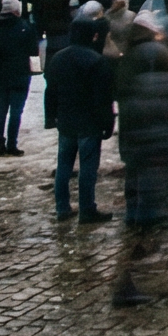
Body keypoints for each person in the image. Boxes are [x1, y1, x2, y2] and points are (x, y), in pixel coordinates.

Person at [111, 20, 168, 307]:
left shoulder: (129, 72)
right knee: (148, 223)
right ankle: (131, 281)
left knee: (139, 218)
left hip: (136, 152)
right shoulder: (162, 84)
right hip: (155, 159)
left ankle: (135, 279)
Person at [47, 19, 116, 222]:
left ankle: (62, 207)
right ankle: (87, 209)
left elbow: (50, 91)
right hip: (89, 121)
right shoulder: (96, 61)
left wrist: (50, 116)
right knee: (87, 168)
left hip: (66, 120)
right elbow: (103, 97)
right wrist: (108, 122)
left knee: (64, 166)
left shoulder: (58, 58)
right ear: (93, 36)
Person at [0, 0, 42, 156]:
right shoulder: (25, 27)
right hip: (20, 73)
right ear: (17, 10)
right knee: (16, 111)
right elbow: (33, 50)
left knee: (0, 110)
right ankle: (12, 144)